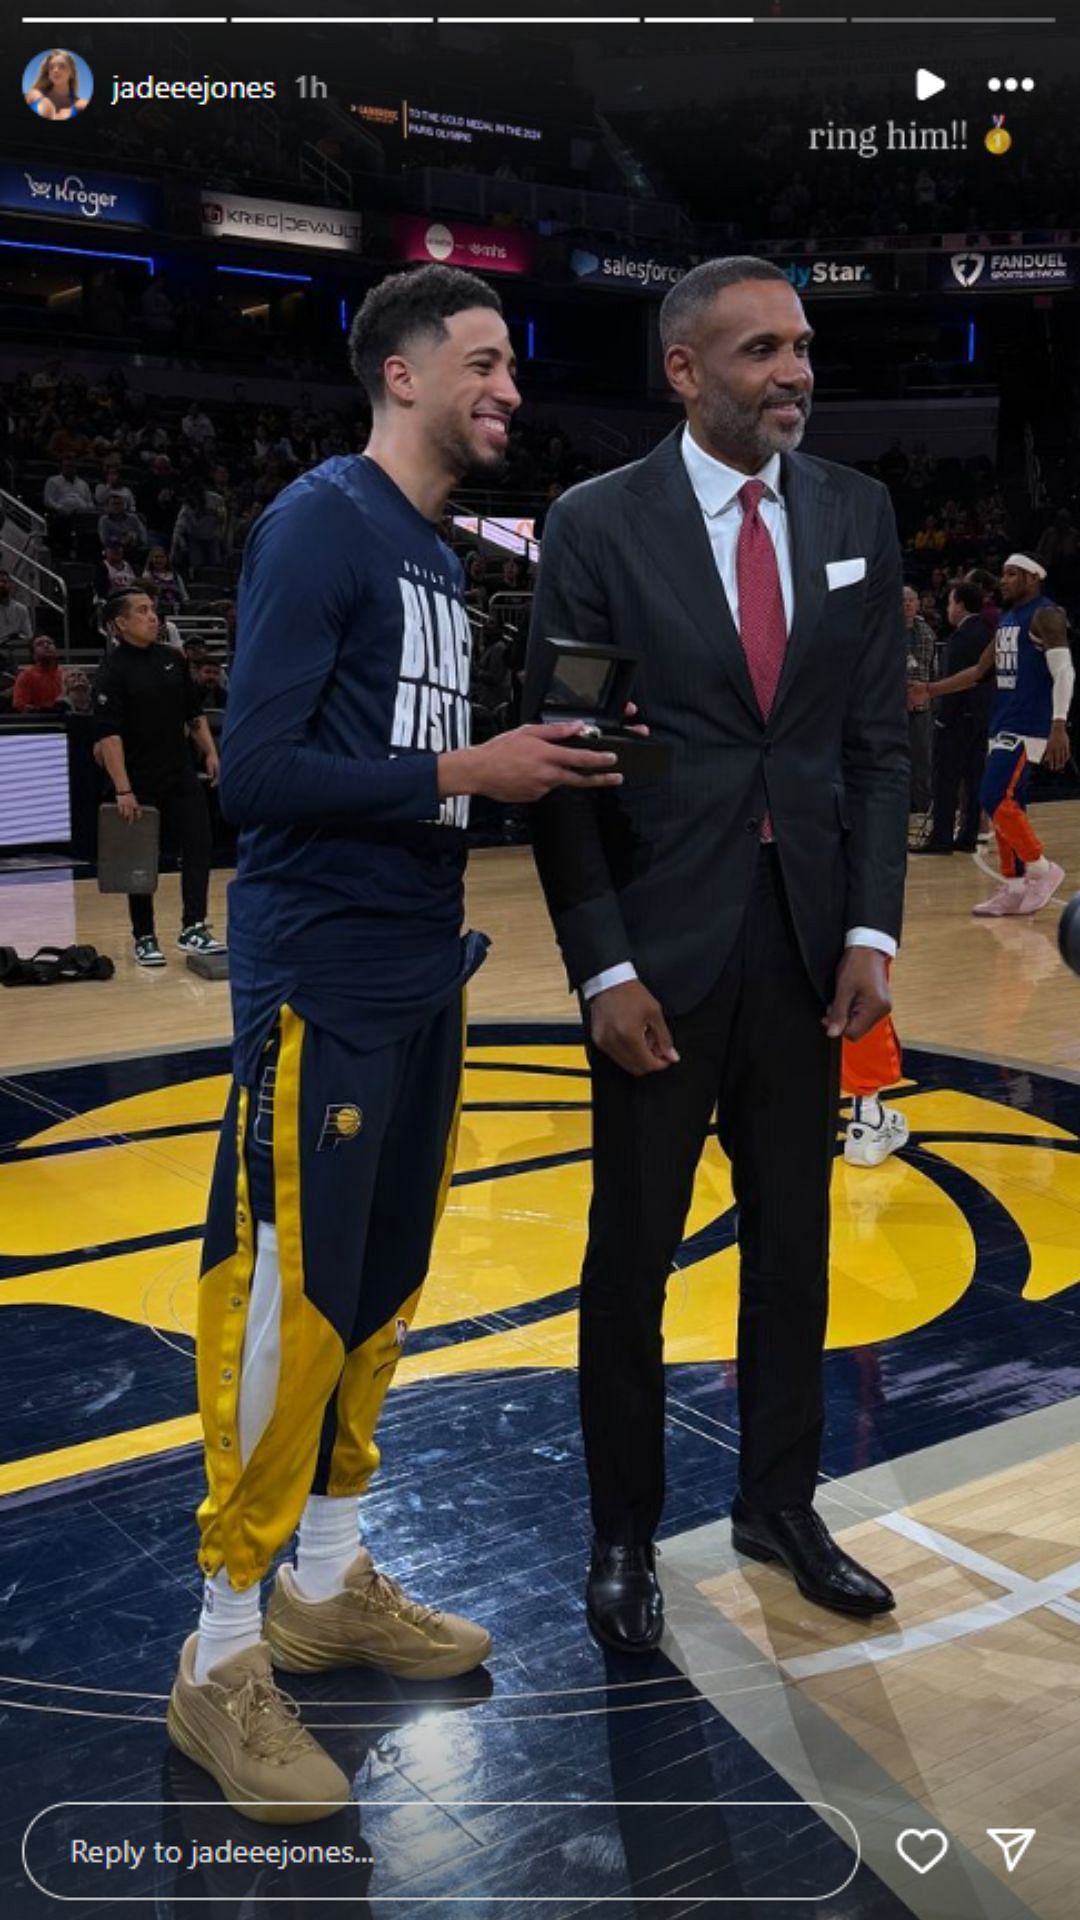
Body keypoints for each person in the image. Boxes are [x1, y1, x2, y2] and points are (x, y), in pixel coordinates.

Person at [165, 264, 623, 1823]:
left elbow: (423, 767)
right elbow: (261, 776)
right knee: (290, 1308)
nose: (509, 388)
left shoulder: (431, 551)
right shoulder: (320, 523)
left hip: (420, 971)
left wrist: (523, 768)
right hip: (321, 982)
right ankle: (222, 1658)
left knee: (377, 1295)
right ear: (404, 373)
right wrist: (466, 768)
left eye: (514, 367)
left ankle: (333, 1577)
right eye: (484, 363)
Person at [525, 256, 909, 1652]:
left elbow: (875, 748)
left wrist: (872, 924)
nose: (795, 373)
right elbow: (562, 761)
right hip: (658, 961)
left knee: (796, 1253)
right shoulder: (595, 524)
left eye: (802, 347)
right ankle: (624, 1536)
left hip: (809, 947)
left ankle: (779, 1505)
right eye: (761, 352)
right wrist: (601, 969)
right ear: (684, 370)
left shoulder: (859, 512)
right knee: (629, 1263)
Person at [921, 554, 1073, 917]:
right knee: (1010, 805)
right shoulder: (1007, 619)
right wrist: (930, 690)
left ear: (1033, 579)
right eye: (1003, 574)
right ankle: (1015, 885)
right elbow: (977, 671)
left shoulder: (1045, 614)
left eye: (1012, 575)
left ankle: (1040, 867)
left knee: (991, 796)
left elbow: (1065, 671)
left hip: (1029, 725)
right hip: (1003, 721)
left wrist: (1058, 724)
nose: (1002, 581)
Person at [92, 588, 224, 968]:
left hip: (179, 771)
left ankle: (193, 926)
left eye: (154, 609)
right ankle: (144, 935)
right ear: (120, 623)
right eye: (143, 611)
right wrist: (124, 789)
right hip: (137, 779)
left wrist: (211, 752)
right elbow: (109, 737)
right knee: (139, 858)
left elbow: (193, 714)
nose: (154, 617)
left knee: (199, 844)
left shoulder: (173, 659)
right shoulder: (112, 671)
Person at [913, 578, 991, 855]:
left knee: (945, 778)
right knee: (974, 778)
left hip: (957, 717)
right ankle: (968, 835)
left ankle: (942, 837)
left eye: (950, 602)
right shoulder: (986, 631)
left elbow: (956, 682)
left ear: (958, 604)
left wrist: (941, 715)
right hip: (981, 717)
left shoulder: (960, 637)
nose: (948, 608)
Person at [903, 582, 935, 816]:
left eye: (910, 600)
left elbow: (925, 667)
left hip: (921, 701)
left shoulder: (925, 632)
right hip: (892, 702)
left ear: (917, 603)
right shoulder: (884, 629)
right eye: (902, 601)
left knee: (922, 755)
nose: (906, 605)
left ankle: (921, 803)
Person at [24, 48, 88, 119]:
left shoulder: (81, 104)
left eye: (62, 66)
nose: (55, 70)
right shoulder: (34, 95)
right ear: (48, 73)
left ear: (72, 73)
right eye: (51, 67)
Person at [13, 633, 64, 712]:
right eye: (40, 644)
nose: (46, 646)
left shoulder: (65, 675)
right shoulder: (26, 676)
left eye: (49, 643)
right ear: (33, 655)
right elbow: (20, 706)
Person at [0, 570, 32, 650]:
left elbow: (28, 635)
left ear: (10, 585)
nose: (1, 584)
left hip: (16, 648)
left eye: (4, 581)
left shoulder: (21, 609)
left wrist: (17, 637)